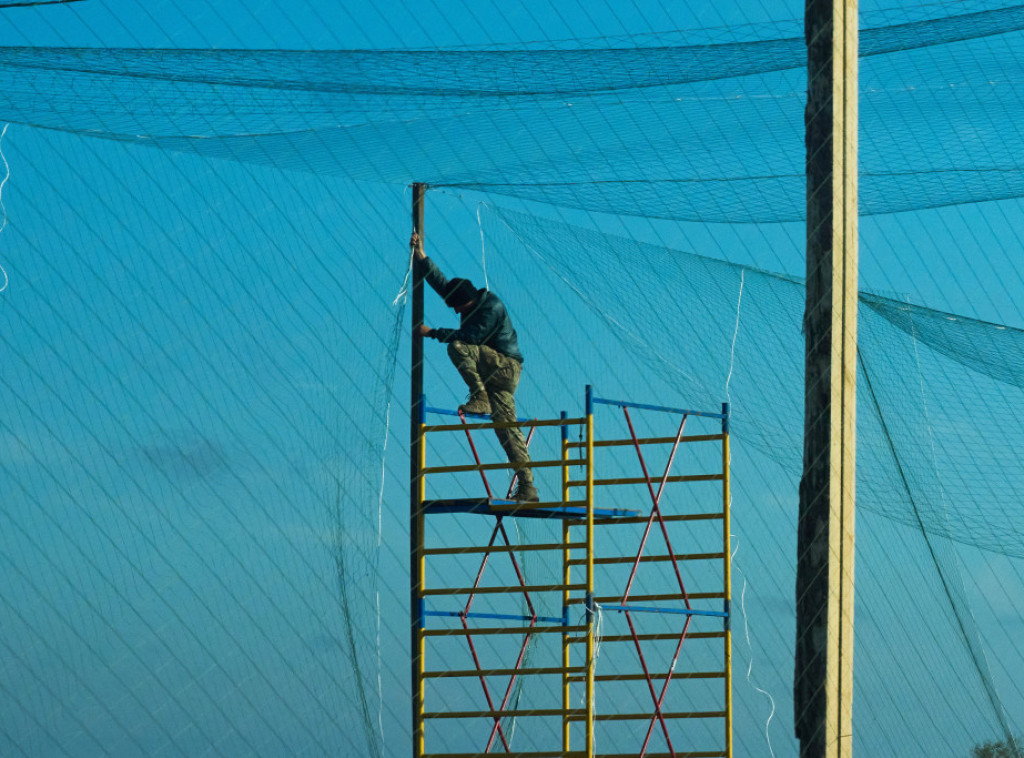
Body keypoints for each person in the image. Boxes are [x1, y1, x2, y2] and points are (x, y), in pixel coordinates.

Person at [411, 231, 539, 503]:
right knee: (506, 429)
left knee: (457, 346)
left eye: (459, 308)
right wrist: (421, 256)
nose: (458, 313)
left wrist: (432, 332)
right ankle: (528, 487)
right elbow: (442, 284)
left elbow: (469, 338)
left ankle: (480, 397)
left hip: (505, 368)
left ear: (467, 302)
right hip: (492, 372)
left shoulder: (491, 308)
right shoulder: (468, 298)